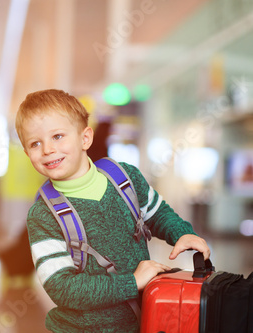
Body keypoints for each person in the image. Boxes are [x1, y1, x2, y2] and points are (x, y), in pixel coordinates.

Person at [14, 89, 210, 333]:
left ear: (85, 138)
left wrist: (181, 233)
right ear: (26, 153)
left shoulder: (125, 178)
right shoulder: (43, 216)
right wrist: (133, 282)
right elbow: (62, 288)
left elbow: (157, 213)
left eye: (58, 136)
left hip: (142, 321)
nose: (47, 149)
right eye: (35, 143)